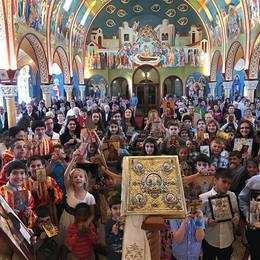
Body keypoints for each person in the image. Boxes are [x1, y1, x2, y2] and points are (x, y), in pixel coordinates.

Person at [199, 168, 240, 260]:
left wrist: (236, 217)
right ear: (215, 180)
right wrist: (207, 220)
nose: (226, 185)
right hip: (210, 238)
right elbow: (198, 217)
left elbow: (236, 211)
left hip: (227, 239)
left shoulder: (232, 196)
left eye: (229, 183)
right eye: (224, 181)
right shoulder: (204, 197)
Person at [0, 160, 36, 228]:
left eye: (22, 173)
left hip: (22, 231)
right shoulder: (1, 193)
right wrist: (8, 215)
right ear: (7, 175)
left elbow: (32, 213)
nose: (19, 176)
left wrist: (28, 214)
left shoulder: (27, 193)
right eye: (14, 173)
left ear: (26, 175)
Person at [239, 174, 260, 260]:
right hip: (256, 228)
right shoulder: (254, 181)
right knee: (256, 254)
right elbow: (242, 199)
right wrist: (248, 214)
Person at [105, 196, 123, 260]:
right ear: (110, 210)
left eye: (121, 208)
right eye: (115, 208)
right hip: (114, 256)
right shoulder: (109, 223)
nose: (118, 211)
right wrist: (113, 233)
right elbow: (108, 242)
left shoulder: (127, 222)